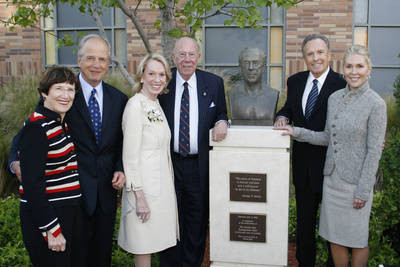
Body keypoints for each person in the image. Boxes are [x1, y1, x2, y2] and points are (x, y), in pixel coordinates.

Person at [9, 34, 128, 267]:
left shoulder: (119, 99)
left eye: (102, 59)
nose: (96, 64)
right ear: (79, 60)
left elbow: (122, 141)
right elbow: (27, 131)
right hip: (71, 200)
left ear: (108, 63)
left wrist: (120, 168)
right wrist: (15, 162)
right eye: (90, 58)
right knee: (74, 259)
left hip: (105, 193)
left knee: (101, 258)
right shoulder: (62, 94)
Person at [275, 44, 386, 267]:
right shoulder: (335, 98)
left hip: (356, 185)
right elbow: (326, 137)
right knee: (335, 239)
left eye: (359, 66)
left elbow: (374, 151)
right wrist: (295, 131)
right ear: (343, 68)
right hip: (332, 181)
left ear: (369, 69)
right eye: (349, 66)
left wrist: (363, 190)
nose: (354, 72)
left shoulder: (376, 104)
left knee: (356, 241)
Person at [274, 33, 346, 267]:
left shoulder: (343, 84)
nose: (315, 58)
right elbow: (288, 108)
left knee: (333, 229)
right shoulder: (295, 81)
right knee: (304, 225)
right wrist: (283, 117)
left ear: (329, 54)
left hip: (332, 169)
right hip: (303, 167)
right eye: (310, 53)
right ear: (304, 57)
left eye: (320, 52)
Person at [158, 37, 228, 267]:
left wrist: (221, 122)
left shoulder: (214, 83)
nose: (187, 59)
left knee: (196, 221)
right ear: (173, 57)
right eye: (181, 54)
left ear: (199, 56)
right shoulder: (162, 82)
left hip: (200, 166)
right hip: (169, 165)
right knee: (169, 219)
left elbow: (220, 112)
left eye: (191, 54)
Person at [18, 66, 84, 267]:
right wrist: (52, 229)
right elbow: (32, 185)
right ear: (44, 92)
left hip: (67, 213)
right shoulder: (36, 128)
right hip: (49, 219)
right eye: (59, 89)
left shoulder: (58, 123)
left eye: (70, 89)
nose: (66, 95)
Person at [117, 54, 179, 267]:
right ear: (142, 76)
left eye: (162, 75)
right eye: (151, 73)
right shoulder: (135, 106)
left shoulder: (156, 104)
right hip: (143, 191)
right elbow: (130, 156)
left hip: (160, 189)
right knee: (143, 248)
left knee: (154, 243)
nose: (157, 79)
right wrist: (139, 197)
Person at [228, 47, 279, 125]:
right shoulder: (233, 94)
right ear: (240, 67)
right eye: (246, 63)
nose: (251, 67)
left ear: (264, 67)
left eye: (255, 63)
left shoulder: (273, 95)